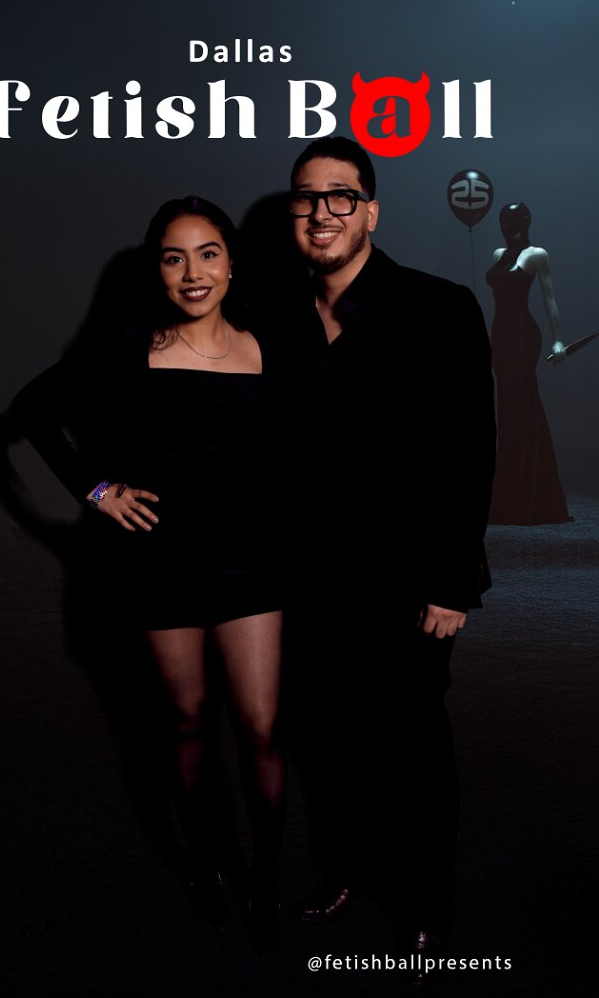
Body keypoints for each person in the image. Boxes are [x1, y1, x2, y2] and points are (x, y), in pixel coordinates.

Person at [9, 196, 285, 950]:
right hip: (162, 563)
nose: (193, 272)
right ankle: (205, 863)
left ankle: (265, 878)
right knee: (188, 720)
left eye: (207, 253)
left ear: (231, 263)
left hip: (249, 563)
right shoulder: (133, 347)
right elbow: (31, 410)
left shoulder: (267, 348)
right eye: (174, 257)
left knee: (262, 728)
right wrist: (95, 490)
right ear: (157, 271)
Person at [277, 137, 496, 975]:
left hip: (410, 579)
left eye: (340, 196)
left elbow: (471, 449)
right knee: (327, 738)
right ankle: (346, 871)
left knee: (411, 746)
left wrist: (453, 581)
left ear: (370, 211)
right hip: (306, 577)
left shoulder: (438, 306)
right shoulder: (275, 315)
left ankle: (427, 907)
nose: (321, 212)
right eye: (306, 197)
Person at [486, 202, 572, 524]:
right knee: (507, 410)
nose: (507, 227)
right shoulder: (498, 255)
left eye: (512, 221)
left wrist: (558, 339)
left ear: (525, 222)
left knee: (521, 406)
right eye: (503, 222)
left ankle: (528, 495)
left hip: (523, 337)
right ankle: (513, 490)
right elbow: (497, 302)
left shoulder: (537, 255)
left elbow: (549, 298)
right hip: (501, 337)